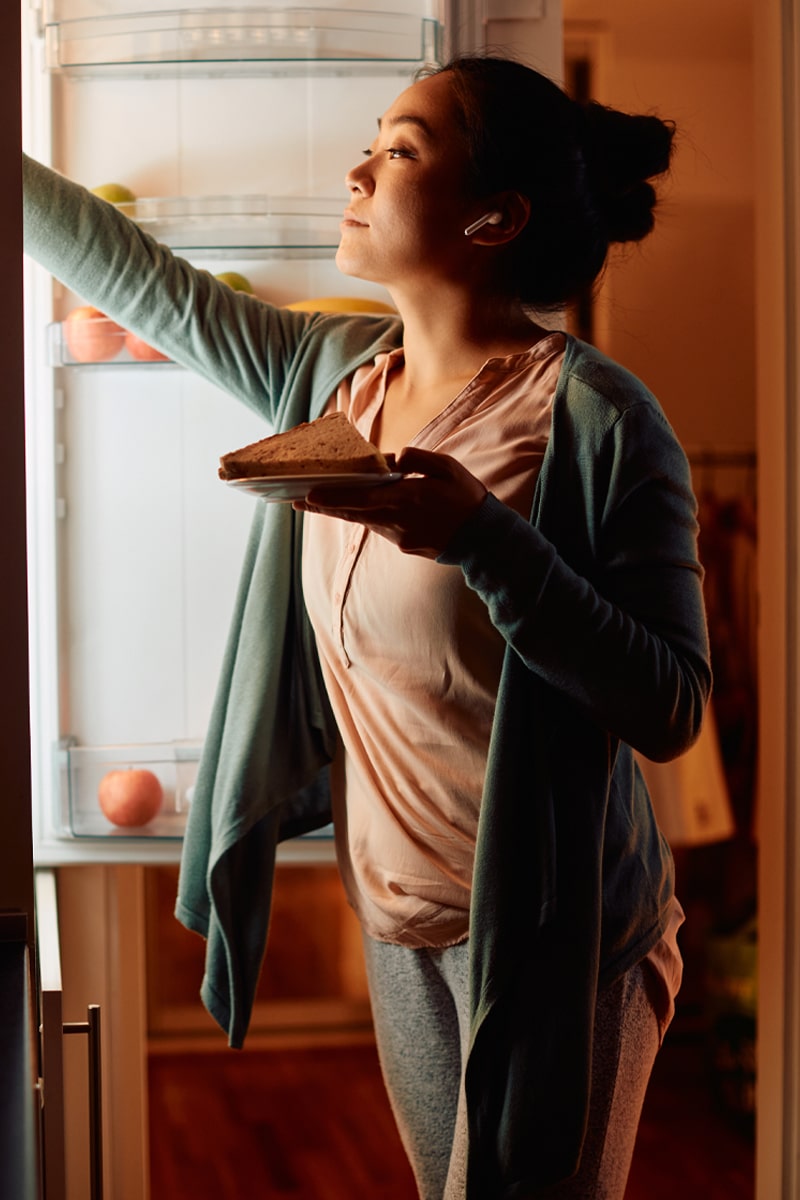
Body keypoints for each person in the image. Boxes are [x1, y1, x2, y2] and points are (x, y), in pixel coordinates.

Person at [23, 52, 710, 1200]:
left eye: (398, 151)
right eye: (371, 144)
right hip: (395, 922)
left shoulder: (595, 418)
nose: (357, 171)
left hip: (558, 940)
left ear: (494, 217)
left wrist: (482, 539)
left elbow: (668, 702)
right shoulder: (332, 374)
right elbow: (140, 279)